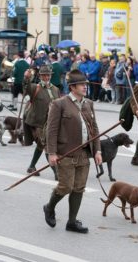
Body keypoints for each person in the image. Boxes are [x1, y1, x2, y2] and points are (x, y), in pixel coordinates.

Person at [43, 69, 102, 233]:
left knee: (79, 188)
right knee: (65, 186)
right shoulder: (59, 104)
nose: (85, 87)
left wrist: (97, 151)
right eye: (81, 85)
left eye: (85, 85)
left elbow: (94, 129)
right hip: (65, 153)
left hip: (84, 153)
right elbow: (51, 130)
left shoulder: (89, 103)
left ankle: (72, 221)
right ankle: (49, 207)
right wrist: (52, 153)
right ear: (72, 87)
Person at [23, 65, 61, 179]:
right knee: (46, 146)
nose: (46, 77)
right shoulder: (35, 87)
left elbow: (59, 105)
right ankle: (56, 172)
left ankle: (31, 166)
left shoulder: (56, 89)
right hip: (36, 123)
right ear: (40, 76)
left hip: (50, 123)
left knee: (41, 144)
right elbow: (26, 87)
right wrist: (26, 78)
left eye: (48, 75)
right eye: (44, 75)